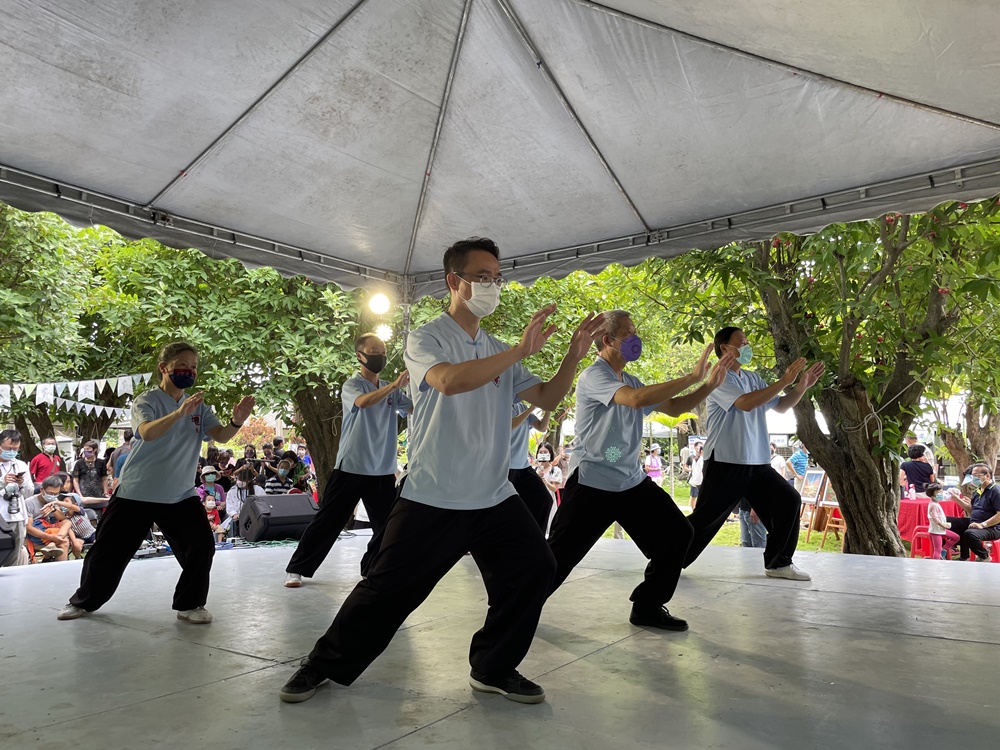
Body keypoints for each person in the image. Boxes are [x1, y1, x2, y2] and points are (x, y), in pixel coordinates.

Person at [279, 237, 603, 705]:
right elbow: (449, 382)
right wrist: (519, 351)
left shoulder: (494, 347)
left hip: (492, 495)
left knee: (536, 569)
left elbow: (549, 399)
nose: (493, 285)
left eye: (497, 277)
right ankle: (321, 664)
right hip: (434, 493)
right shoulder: (425, 338)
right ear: (455, 281)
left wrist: (574, 353)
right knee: (387, 592)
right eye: (482, 277)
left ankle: (493, 667)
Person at [546, 312, 732, 631]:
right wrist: (691, 376)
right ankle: (516, 605)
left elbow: (673, 407)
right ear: (608, 340)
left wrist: (709, 384)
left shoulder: (631, 380)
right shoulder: (594, 376)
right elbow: (633, 401)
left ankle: (647, 606)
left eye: (636, 332)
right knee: (557, 559)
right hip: (592, 484)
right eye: (629, 334)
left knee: (678, 534)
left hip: (631, 483)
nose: (636, 339)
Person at [56, 341, 254, 623]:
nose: (189, 371)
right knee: (108, 552)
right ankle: (84, 602)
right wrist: (178, 413)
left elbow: (220, 436)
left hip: (180, 493)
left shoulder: (199, 406)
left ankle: (190, 605)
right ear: (164, 368)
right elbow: (147, 433)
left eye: (194, 367)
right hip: (138, 490)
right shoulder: (146, 401)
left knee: (201, 547)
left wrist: (236, 422)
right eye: (182, 366)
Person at [683, 326, 825, 581]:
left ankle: (778, 563)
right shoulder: (719, 378)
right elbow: (746, 404)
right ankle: (669, 557)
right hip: (726, 461)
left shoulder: (752, 378)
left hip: (757, 462)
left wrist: (801, 386)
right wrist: (783, 381)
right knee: (706, 520)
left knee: (788, 499)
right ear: (725, 348)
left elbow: (781, 406)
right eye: (742, 341)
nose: (747, 346)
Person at [284, 333, 412, 587]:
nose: (380, 356)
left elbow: (413, 408)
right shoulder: (353, 385)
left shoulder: (390, 388)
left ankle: (372, 567)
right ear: (360, 356)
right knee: (329, 521)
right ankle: (297, 568)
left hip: (382, 470)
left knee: (386, 526)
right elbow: (363, 403)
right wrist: (395, 386)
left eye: (383, 352)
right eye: (374, 352)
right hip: (352, 466)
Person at [508, 404, 554, 532]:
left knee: (544, 500)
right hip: (506, 466)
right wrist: (531, 409)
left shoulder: (521, 406)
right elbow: (509, 425)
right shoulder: (500, 403)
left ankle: (535, 538)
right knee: (503, 508)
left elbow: (542, 427)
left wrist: (548, 408)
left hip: (523, 466)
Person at [945, 463, 1000, 562]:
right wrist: (956, 499)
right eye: (972, 476)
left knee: (970, 533)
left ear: (987, 476)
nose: (973, 478)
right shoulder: (978, 491)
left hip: (993, 527)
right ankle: (960, 555)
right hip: (975, 522)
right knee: (946, 521)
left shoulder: (996, 491)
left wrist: (982, 525)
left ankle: (984, 556)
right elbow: (971, 510)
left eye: (976, 476)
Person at [1, 429, 33, 567]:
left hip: (17, 516)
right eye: (9, 448)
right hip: (1, 516)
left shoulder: (21, 465)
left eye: (16, 449)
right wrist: (3, 481)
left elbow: (29, 493)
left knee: (14, 557)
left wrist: (22, 482)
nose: (12, 452)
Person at [25, 476, 77, 561]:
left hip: (51, 531)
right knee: (64, 542)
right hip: (37, 534)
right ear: (42, 490)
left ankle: (53, 544)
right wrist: (51, 537)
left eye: (56, 494)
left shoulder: (54, 500)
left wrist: (54, 509)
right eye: (50, 493)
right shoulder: (29, 503)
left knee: (67, 522)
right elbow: (29, 528)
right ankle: (59, 567)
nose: (53, 496)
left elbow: (62, 518)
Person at [221, 465, 263, 539]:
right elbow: (230, 505)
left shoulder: (258, 490)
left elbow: (262, 503)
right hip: (237, 518)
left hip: (254, 518)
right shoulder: (233, 491)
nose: (240, 482)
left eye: (242, 480)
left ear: (249, 480)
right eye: (238, 479)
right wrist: (234, 514)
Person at [923, 482, 959, 560]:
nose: (942, 494)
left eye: (942, 492)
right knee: (937, 550)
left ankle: (944, 549)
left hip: (941, 530)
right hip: (936, 531)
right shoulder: (933, 505)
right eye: (939, 493)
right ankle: (937, 564)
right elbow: (935, 518)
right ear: (932, 495)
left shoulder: (936, 503)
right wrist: (943, 525)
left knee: (956, 537)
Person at [688, 441, 704, 510]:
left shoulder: (702, 458)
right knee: (693, 496)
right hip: (695, 480)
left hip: (701, 480)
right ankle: (693, 509)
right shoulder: (693, 458)